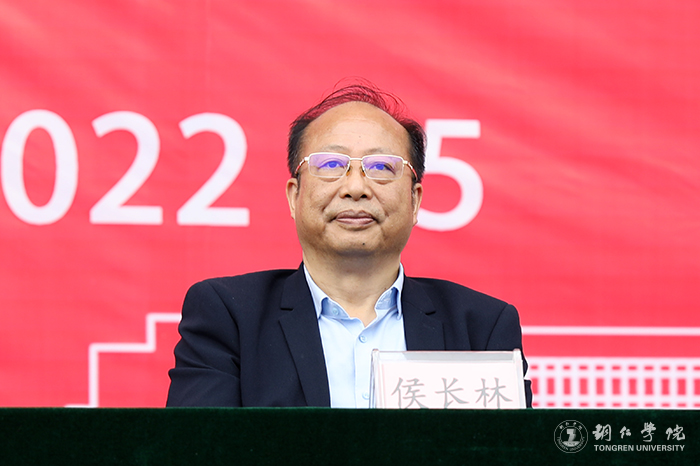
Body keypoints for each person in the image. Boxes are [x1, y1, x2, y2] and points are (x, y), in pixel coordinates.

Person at [167, 82, 532, 408]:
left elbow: (506, 450)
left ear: (415, 200)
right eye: (330, 164)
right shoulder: (230, 316)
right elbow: (198, 449)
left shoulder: (481, 327)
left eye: (381, 167)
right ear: (294, 196)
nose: (355, 187)